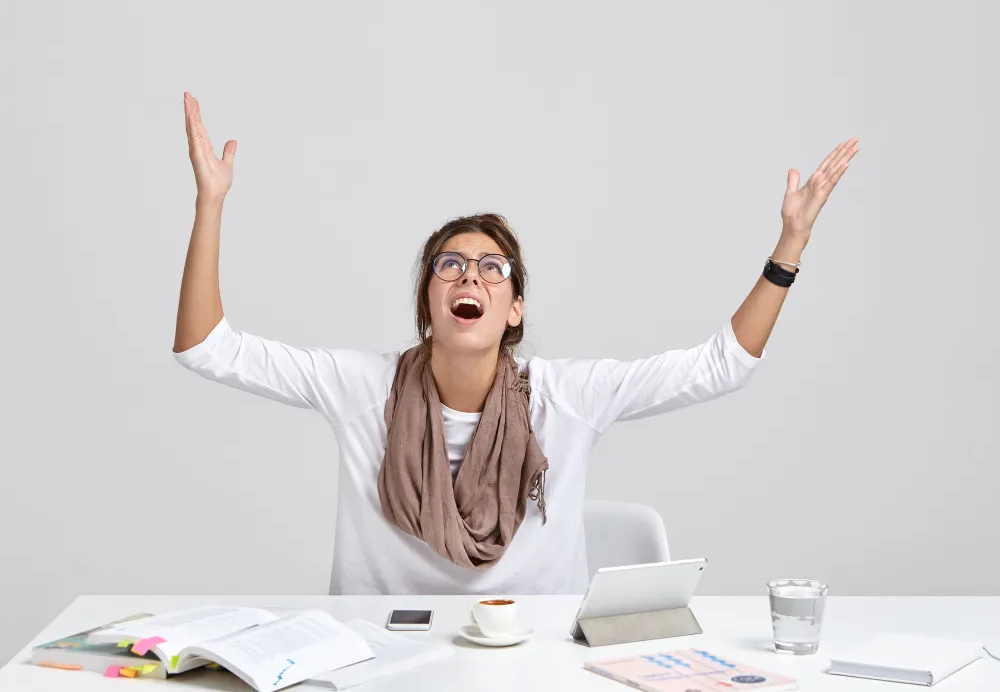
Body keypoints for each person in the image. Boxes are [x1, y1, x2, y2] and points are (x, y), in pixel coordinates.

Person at [172, 91, 858, 596]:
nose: (470, 275)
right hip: (384, 664)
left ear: (514, 309)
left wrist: (790, 245)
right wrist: (210, 202)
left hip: (533, 663)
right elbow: (207, 347)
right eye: (449, 265)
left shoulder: (566, 397)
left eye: (492, 268)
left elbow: (722, 365)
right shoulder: (361, 389)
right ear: (428, 302)